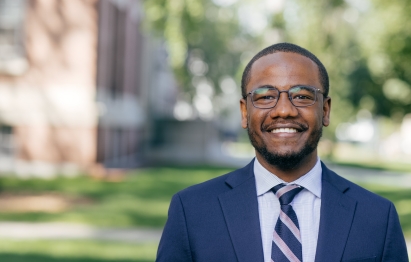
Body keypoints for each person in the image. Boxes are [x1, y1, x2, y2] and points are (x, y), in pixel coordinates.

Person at [156, 43, 409, 262]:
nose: (284, 110)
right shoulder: (192, 211)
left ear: (326, 110)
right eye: (266, 97)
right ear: (245, 112)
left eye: (302, 96)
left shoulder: (377, 217)